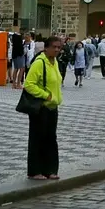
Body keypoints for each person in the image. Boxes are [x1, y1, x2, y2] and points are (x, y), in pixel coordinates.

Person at [24, 36, 63, 180]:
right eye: (54, 47)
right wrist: (45, 95)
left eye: (59, 47)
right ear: (46, 48)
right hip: (41, 106)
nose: (57, 50)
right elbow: (29, 84)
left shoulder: (55, 62)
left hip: (53, 107)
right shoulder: (39, 62)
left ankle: (50, 170)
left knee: (51, 139)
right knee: (38, 138)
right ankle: (35, 171)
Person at [9, 24, 26, 89]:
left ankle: (14, 84)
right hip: (19, 54)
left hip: (15, 54)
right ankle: (18, 83)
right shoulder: (18, 36)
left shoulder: (13, 36)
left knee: (16, 69)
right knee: (21, 69)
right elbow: (20, 47)